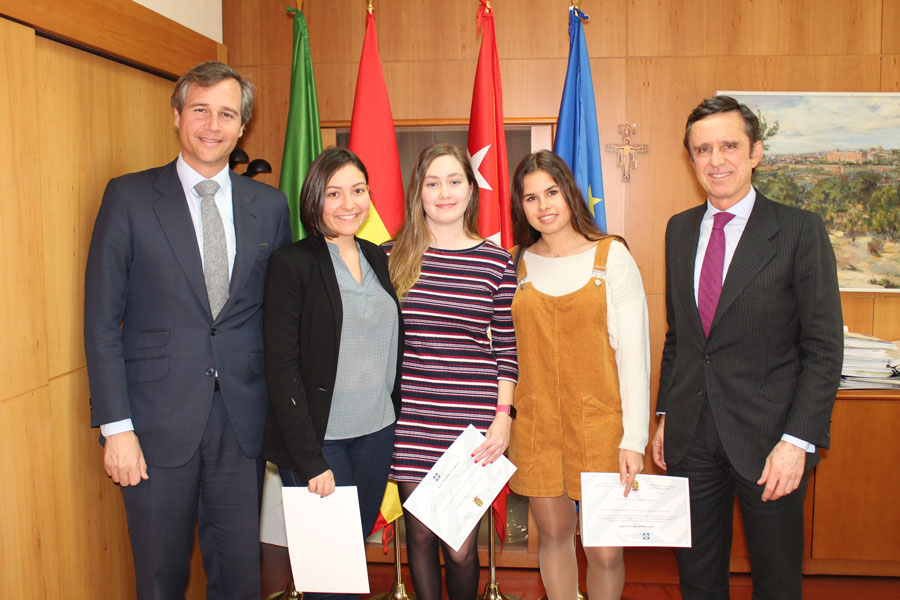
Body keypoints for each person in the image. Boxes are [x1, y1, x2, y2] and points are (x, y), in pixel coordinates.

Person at [84, 61, 292, 599]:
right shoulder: (128, 198)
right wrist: (116, 428)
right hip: (153, 425)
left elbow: (280, 317)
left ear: (242, 126)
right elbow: (102, 320)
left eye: (227, 113)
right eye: (200, 110)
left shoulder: (268, 206)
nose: (212, 124)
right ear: (177, 116)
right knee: (159, 578)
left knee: (241, 578)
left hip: (243, 421)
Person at [652, 95, 843, 599]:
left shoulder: (799, 231)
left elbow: (823, 348)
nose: (717, 160)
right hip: (692, 438)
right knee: (697, 578)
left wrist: (798, 442)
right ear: (691, 158)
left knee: (777, 581)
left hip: (771, 443)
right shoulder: (678, 230)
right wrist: (666, 415)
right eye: (703, 149)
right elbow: (681, 337)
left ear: (756, 152)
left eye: (730, 146)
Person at [507, 150, 650, 600]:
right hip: (536, 424)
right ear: (521, 206)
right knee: (553, 536)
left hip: (602, 426)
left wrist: (634, 438)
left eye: (551, 192)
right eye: (531, 197)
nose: (543, 205)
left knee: (605, 551)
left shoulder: (612, 257)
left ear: (569, 194)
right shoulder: (514, 264)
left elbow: (634, 356)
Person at [262, 147, 403, 599]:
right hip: (319, 443)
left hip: (376, 434)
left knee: (350, 557)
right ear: (314, 199)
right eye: (334, 193)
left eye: (358, 191)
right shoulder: (293, 263)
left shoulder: (377, 257)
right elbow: (281, 367)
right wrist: (308, 460)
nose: (349, 204)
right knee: (327, 578)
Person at [385, 142, 518, 600]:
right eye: (432, 182)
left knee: (459, 546)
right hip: (411, 419)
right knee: (419, 536)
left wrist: (504, 416)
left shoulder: (497, 260)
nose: (444, 193)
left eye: (454, 181)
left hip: (471, 424)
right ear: (418, 191)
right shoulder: (390, 256)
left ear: (471, 188)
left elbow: (506, 345)